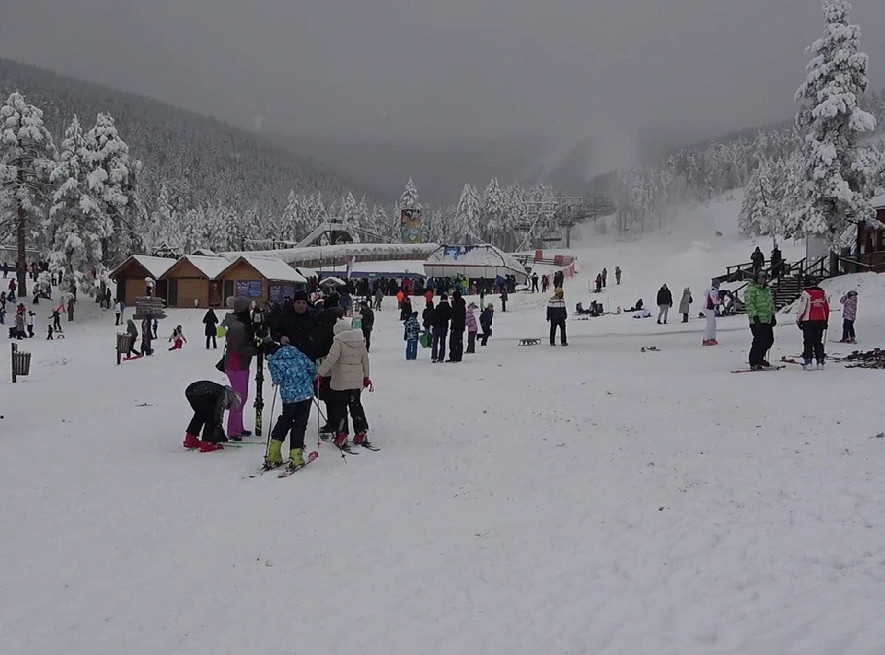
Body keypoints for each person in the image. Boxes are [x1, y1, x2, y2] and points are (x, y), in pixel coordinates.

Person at [317, 319, 373, 450]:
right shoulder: (360, 341)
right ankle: (361, 432)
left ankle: (341, 434)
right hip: (356, 382)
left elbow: (331, 359)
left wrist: (319, 373)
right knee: (356, 406)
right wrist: (366, 377)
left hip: (340, 381)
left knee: (340, 408)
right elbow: (365, 360)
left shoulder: (338, 342)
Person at [262, 340, 318, 470]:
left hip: (289, 397)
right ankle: (295, 455)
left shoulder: (273, 362)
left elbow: (278, 380)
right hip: (306, 394)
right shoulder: (298, 353)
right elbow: (312, 369)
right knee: (300, 424)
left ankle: (273, 453)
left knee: (285, 420)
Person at [223, 298, 257, 439]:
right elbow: (237, 348)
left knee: (242, 397)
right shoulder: (238, 326)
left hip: (239, 364)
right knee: (238, 398)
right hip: (236, 365)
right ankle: (233, 430)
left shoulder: (239, 324)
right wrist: (255, 349)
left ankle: (238, 427)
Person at [181, 381, 242, 452]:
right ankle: (207, 443)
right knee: (211, 417)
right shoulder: (225, 394)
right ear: (233, 400)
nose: (228, 408)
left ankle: (190, 439)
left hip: (190, 391)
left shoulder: (220, 390)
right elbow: (218, 412)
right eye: (231, 406)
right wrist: (218, 428)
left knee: (200, 415)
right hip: (204, 393)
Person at [744, 269, 776, 370]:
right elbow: (749, 304)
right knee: (759, 340)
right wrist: (754, 316)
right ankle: (753, 361)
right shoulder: (751, 289)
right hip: (757, 320)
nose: (762, 280)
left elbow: (770, 303)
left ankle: (760, 358)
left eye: (764, 278)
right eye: (760, 278)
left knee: (769, 340)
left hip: (767, 319)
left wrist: (773, 315)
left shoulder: (766, 289)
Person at [269, 290, 316, 357]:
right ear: (294, 303)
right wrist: (280, 337)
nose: (301, 305)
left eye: (303, 303)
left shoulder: (312, 317)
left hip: (307, 355)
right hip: (289, 355)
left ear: (306, 304)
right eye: (298, 303)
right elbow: (274, 330)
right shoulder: (285, 316)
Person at [795, 282, 830, 369]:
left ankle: (808, 362)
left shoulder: (806, 293)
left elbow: (802, 308)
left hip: (808, 320)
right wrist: (825, 321)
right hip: (820, 320)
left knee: (808, 341)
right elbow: (826, 308)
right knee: (818, 341)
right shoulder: (822, 293)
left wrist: (798, 320)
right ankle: (820, 361)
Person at [431, 294, 451, 362]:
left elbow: (434, 316)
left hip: (437, 326)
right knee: (443, 342)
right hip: (444, 326)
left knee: (435, 342)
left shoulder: (438, 307)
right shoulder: (448, 307)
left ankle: (434, 357)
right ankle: (441, 358)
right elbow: (449, 316)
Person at [448, 289, 466, 362]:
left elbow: (453, 314)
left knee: (453, 342)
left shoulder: (456, 305)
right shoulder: (462, 305)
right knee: (459, 342)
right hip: (461, 326)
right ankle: (458, 356)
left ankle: (453, 356)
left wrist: (452, 304)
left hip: (456, 326)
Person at [702, 279, 721, 346]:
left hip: (710, 309)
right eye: (718, 284)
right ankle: (706, 339)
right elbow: (714, 301)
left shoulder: (713, 291)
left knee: (713, 324)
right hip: (709, 309)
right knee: (710, 324)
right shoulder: (713, 292)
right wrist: (720, 302)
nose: (719, 285)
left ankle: (712, 338)